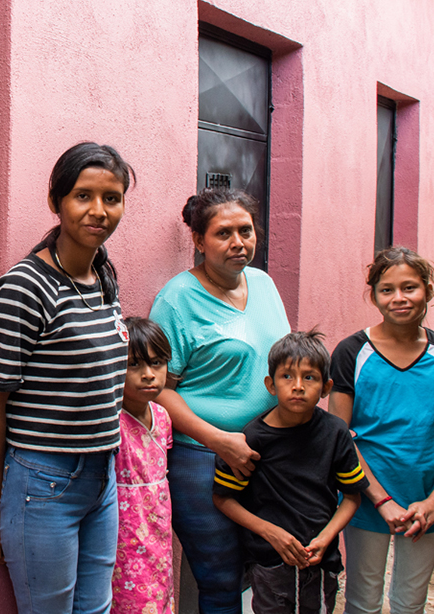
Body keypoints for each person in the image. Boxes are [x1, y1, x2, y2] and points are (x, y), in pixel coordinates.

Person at [0, 142, 135, 614]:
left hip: (101, 476)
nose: (99, 211)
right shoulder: (24, 287)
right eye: (83, 196)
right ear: (56, 202)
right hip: (44, 481)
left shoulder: (104, 274)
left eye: (112, 197)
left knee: (95, 608)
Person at [148, 187, 291, 613]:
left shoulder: (264, 284)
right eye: (223, 233)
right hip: (203, 460)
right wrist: (218, 440)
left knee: (265, 569)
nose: (238, 242)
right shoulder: (176, 300)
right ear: (198, 241)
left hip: (269, 452)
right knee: (220, 579)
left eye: (245, 230)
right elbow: (160, 390)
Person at [329, 247, 434, 614]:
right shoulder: (352, 352)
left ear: (428, 290)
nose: (399, 298)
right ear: (374, 295)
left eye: (409, 287)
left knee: (410, 602)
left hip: (428, 497)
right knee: (363, 600)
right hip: (367, 497)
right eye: (387, 289)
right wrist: (381, 500)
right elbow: (340, 435)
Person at [213, 330, 369, 614]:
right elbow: (223, 499)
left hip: (320, 562)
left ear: (326, 387)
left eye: (309, 377)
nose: (298, 386)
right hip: (269, 563)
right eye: (287, 376)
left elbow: (352, 498)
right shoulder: (251, 438)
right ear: (271, 385)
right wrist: (271, 533)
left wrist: (326, 537)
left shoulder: (335, 433)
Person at [112, 317, 176, 614]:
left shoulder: (162, 417)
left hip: (159, 533)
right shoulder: (112, 423)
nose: (149, 374)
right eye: (133, 365)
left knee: (159, 596)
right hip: (122, 537)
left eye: (157, 363)